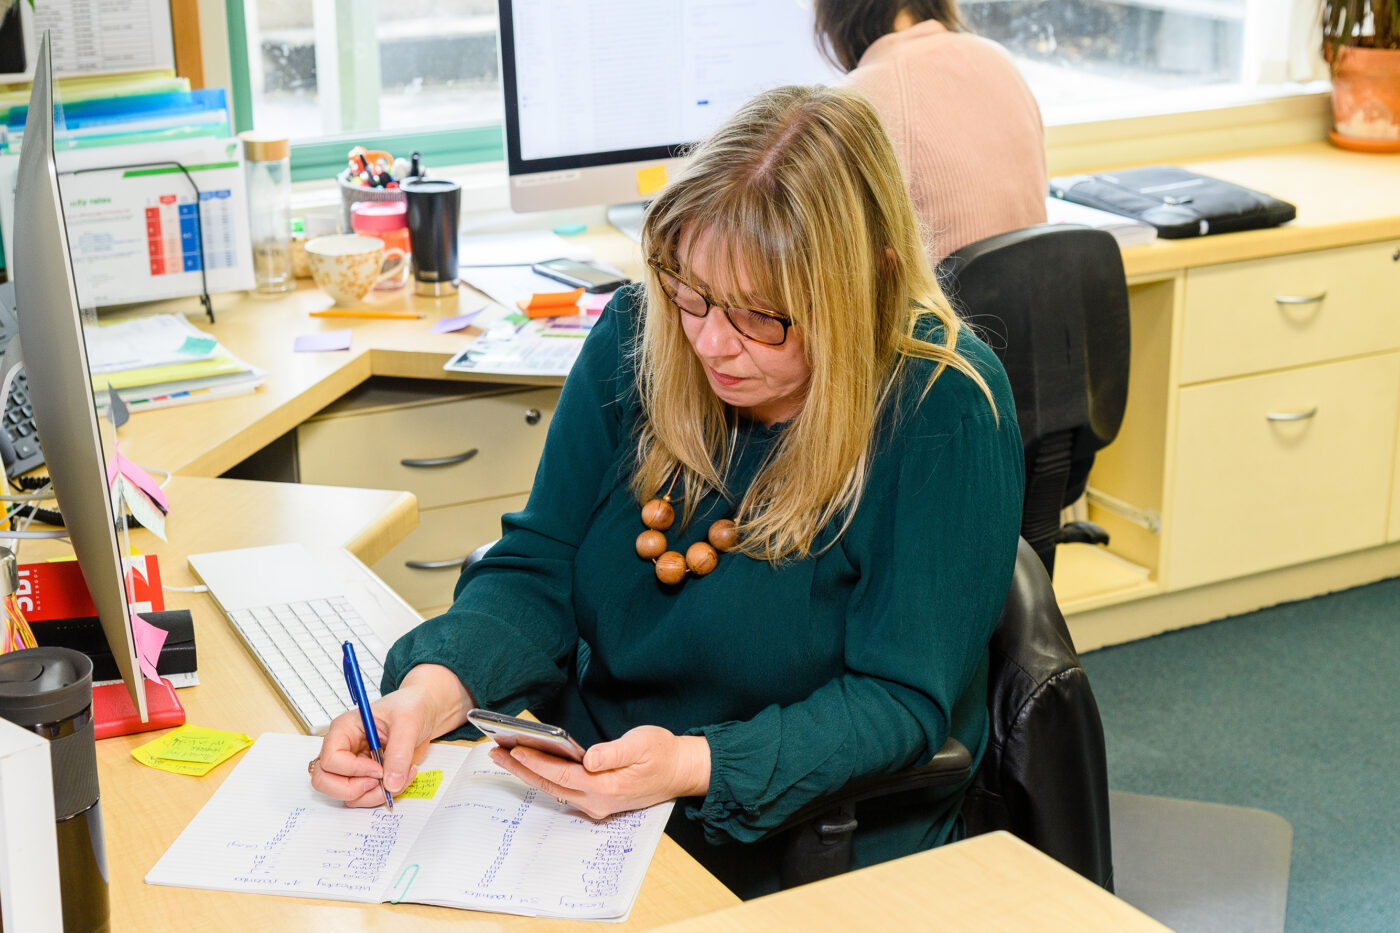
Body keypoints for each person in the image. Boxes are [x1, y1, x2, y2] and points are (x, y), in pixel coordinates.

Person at [311, 84, 1024, 899]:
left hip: (792, 834)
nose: (712, 343)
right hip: (586, 799)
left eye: (762, 316)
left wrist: (690, 764)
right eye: (693, 295)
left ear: (871, 285)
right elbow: (538, 565)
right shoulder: (636, 336)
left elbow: (898, 701)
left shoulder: (944, 411)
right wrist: (428, 696)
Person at [813, 0, 1048, 263]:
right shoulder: (998, 58)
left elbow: (845, 264)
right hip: (1038, 294)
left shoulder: (860, 96)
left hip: (948, 302)